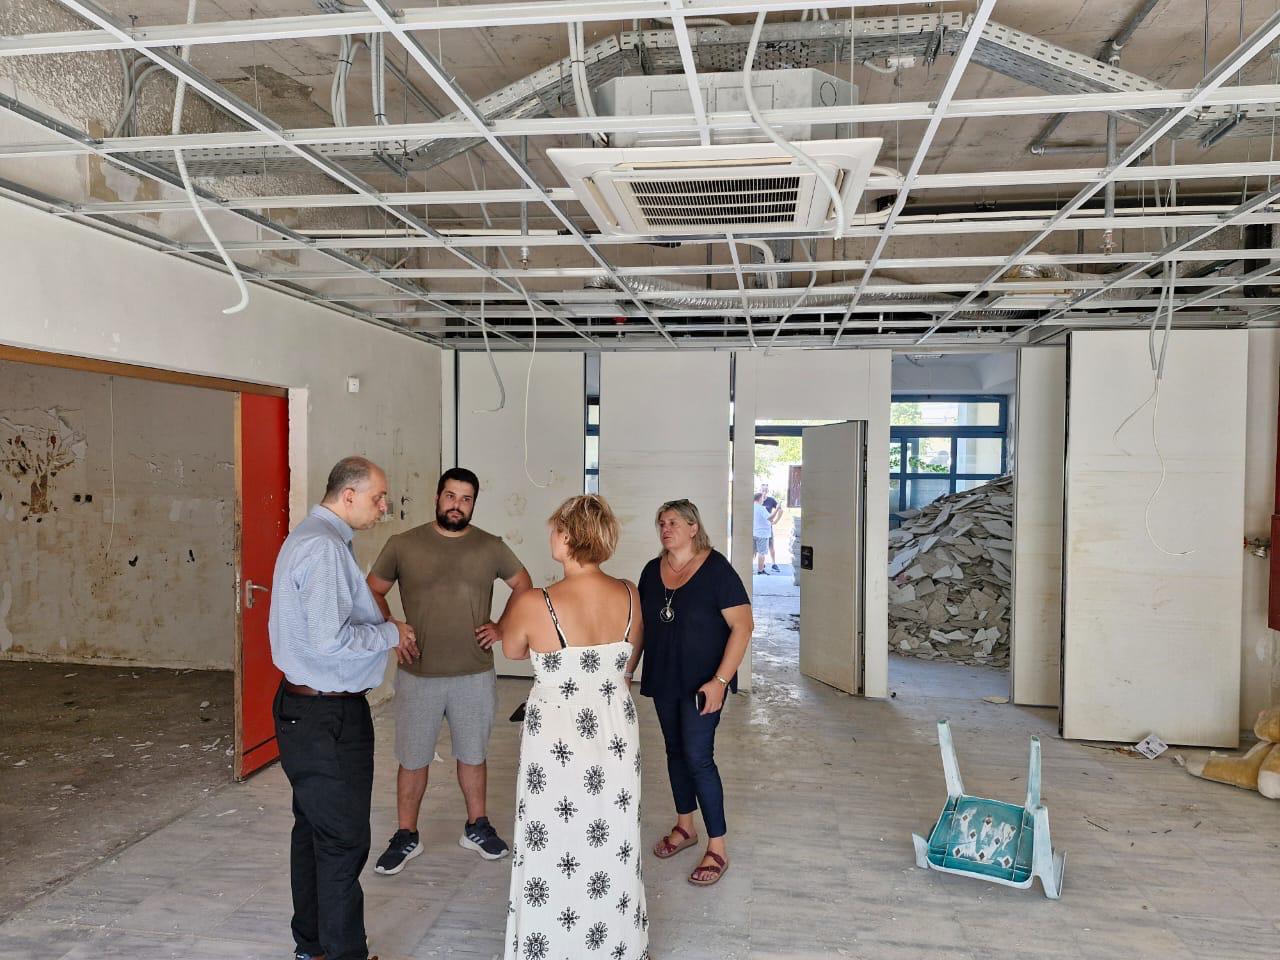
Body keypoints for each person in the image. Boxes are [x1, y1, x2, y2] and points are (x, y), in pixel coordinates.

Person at [269, 456, 419, 960]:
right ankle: (343, 953)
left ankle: (313, 946)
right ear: (348, 495)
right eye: (378, 498)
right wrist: (390, 633)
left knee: (315, 830)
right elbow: (329, 640)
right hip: (325, 715)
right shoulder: (323, 547)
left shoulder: (316, 538)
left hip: (311, 709)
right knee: (342, 839)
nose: (384, 507)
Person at [499, 494, 648, 960]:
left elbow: (512, 650)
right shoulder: (630, 593)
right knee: (613, 831)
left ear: (567, 536)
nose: (551, 536)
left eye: (555, 529)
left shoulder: (536, 602)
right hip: (614, 723)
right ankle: (614, 944)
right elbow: (629, 658)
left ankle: (551, 945)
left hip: (557, 731)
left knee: (552, 835)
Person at [367, 467, 533, 875]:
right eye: (451, 496)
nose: (457, 505)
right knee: (413, 758)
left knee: (473, 755)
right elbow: (372, 590)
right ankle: (406, 835)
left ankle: (477, 827)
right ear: (437, 497)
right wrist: (392, 628)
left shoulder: (490, 546)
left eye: (466, 499)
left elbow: (523, 583)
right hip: (418, 673)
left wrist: (501, 627)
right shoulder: (403, 545)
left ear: (473, 504)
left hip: (473, 674)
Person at [636, 499, 752, 886]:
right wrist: (627, 671)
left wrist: (720, 681)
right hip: (664, 676)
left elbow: (743, 627)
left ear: (692, 527)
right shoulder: (652, 571)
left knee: (699, 757)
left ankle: (717, 846)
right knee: (674, 751)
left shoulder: (716, 569)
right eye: (661, 522)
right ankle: (685, 826)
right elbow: (642, 628)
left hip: (704, 683)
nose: (665, 528)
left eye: (673, 522)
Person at [760, 483, 784, 572]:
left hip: (768, 527)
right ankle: (761, 564)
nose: (764, 492)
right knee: (759, 547)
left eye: (766, 490)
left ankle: (774, 564)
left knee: (771, 545)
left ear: (768, 491)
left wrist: (776, 521)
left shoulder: (771, 500)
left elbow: (780, 509)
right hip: (758, 527)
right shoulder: (756, 499)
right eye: (763, 490)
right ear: (760, 490)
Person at [752, 492, 773, 576]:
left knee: (752, 552)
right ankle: (760, 570)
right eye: (762, 498)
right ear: (760, 498)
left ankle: (749, 569)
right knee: (761, 553)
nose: (763, 500)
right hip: (762, 534)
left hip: (754, 532)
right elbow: (770, 518)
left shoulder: (752, 507)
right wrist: (777, 510)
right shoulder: (761, 508)